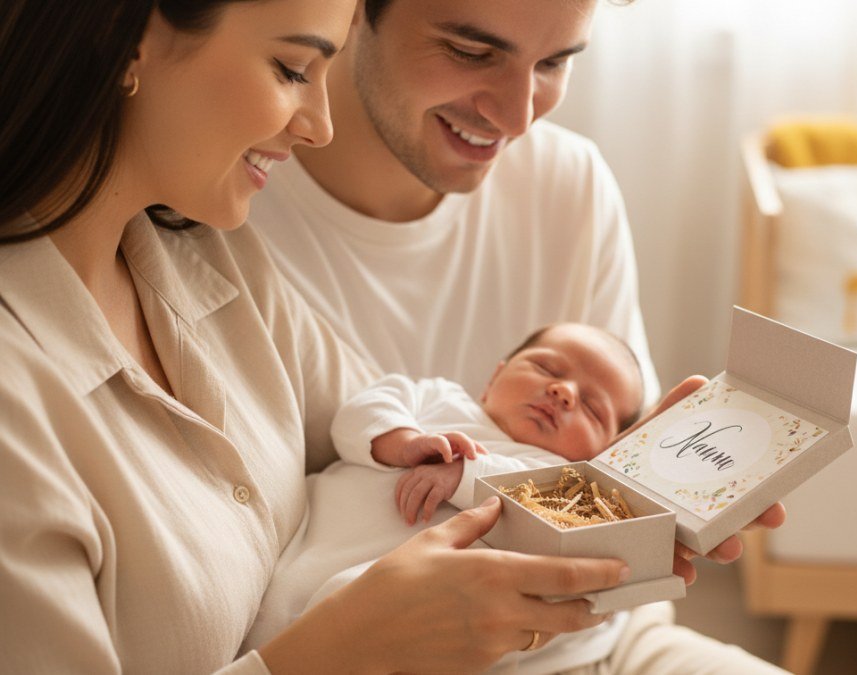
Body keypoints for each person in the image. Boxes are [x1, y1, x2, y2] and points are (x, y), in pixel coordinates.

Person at [0, 2, 637, 672]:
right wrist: (347, 645)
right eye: (292, 69)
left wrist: (643, 483)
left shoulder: (211, 261)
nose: (321, 125)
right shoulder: (22, 401)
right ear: (128, 37)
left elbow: (409, 421)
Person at [247, 0, 787, 584]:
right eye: (470, 52)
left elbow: (604, 485)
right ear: (351, 11)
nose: (517, 116)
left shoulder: (569, 184)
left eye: (553, 63)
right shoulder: (227, 208)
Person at [245, 322, 648, 671]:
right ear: (495, 378)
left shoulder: (562, 478)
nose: (563, 392)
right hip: (308, 552)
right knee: (267, 620)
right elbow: (360, 412)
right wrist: (403, 442)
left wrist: (464, 473)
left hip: (413, 612)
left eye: (593, 409)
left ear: (601, 454)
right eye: (546, 367)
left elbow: (531, 503)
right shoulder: (438, 397)